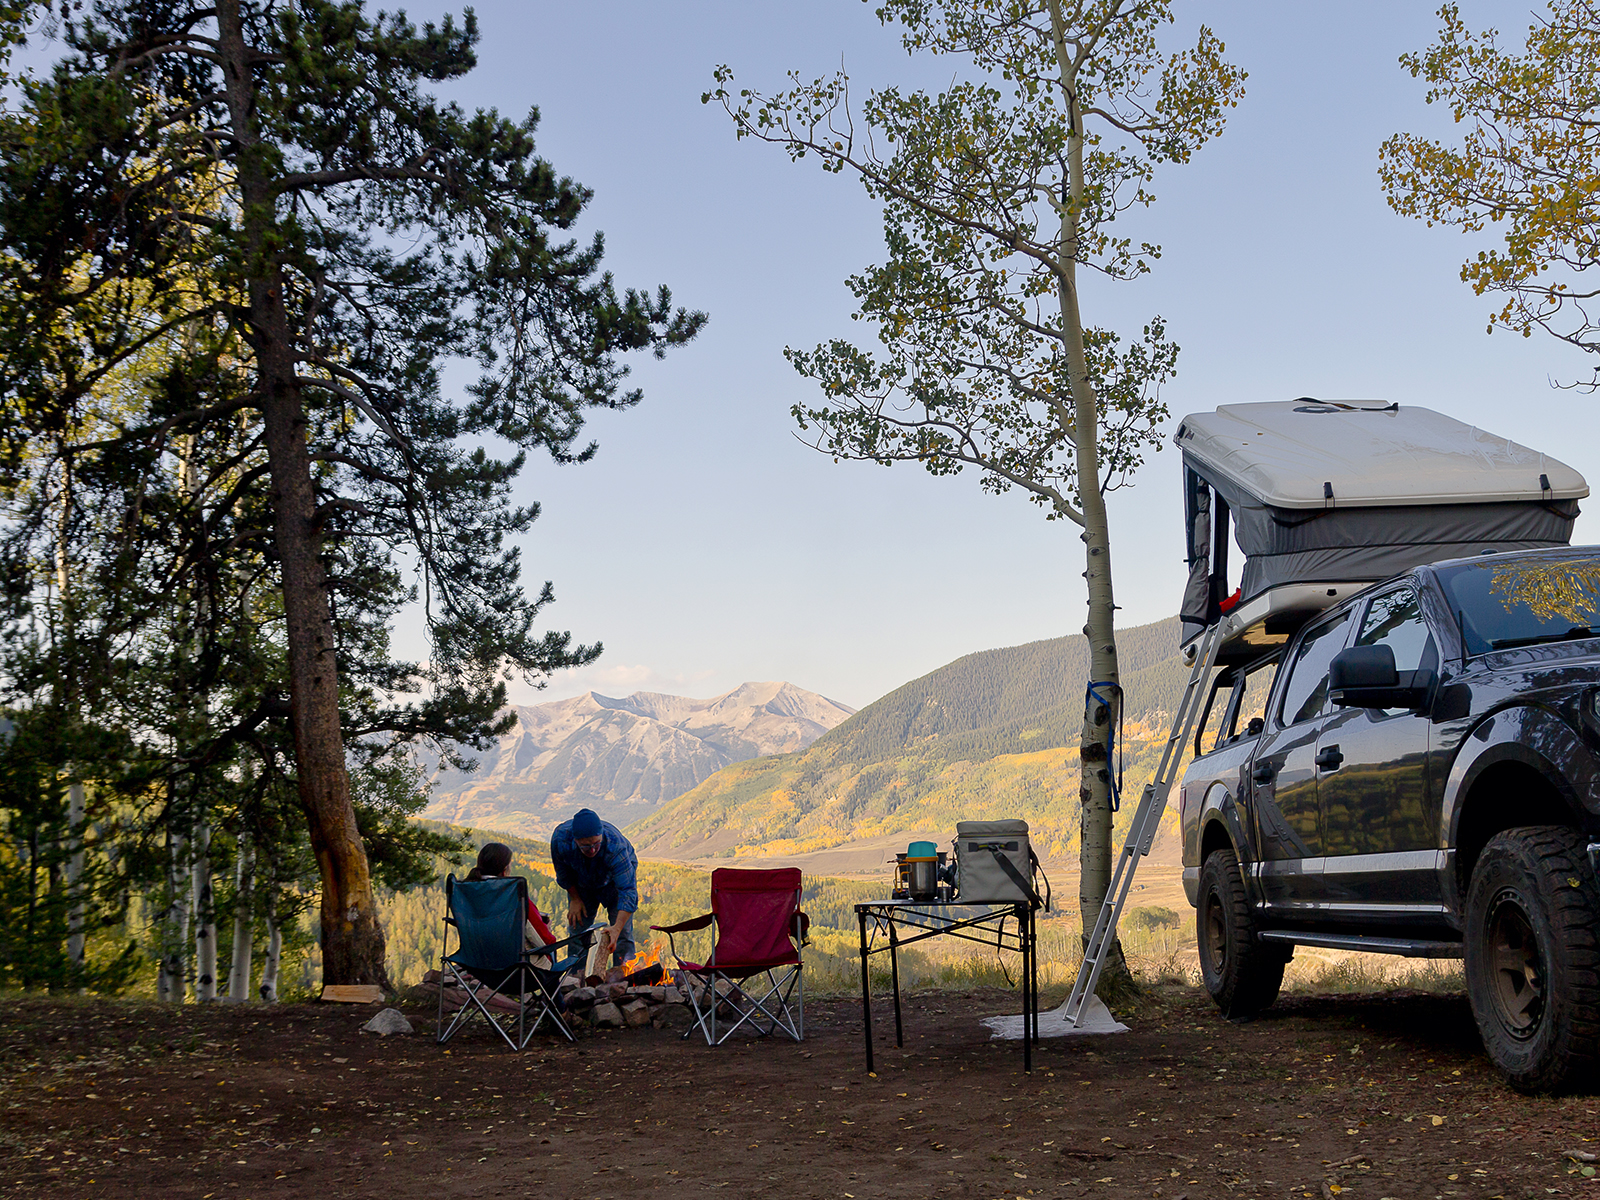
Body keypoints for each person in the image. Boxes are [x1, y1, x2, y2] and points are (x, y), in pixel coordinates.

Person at [550, 808, 638, 968]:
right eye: (585, 846)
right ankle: (575, 980)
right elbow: (563, 874)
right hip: (582, 881)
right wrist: (575, 899)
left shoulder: (615, 846)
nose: (592, 850)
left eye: (596, 844)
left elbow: (628, 892)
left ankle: (624, 980)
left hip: (614, 883)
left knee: (623, 934)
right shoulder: (560, 840)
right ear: (575, 840)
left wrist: (616, 928)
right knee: (577, 929)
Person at [464, 842, 558, 950]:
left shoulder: (467, 893)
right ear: (505, 869)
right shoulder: (514, 895)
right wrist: (547, 928)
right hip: (513, 962)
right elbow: (546, 942)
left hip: (475, 959)